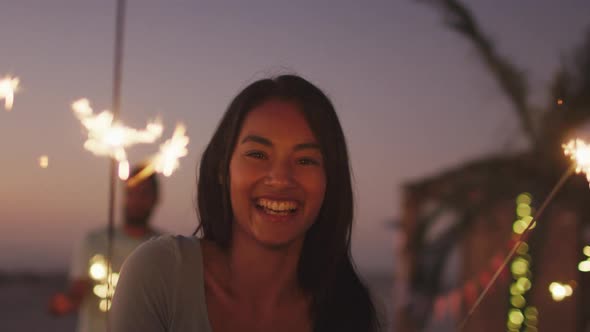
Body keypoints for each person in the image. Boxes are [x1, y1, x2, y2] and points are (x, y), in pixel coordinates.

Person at [111, 74, 381, 331]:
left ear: (330, 180)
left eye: (305, 160)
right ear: (222, 169)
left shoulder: (349, 312)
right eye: (257, 154)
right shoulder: (159, 275)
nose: (280, 178)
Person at [49, 165, 162, 332]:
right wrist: (65, 303)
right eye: (132, 192)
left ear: (155, 198)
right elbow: (78, 289)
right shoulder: (93, 242)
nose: (137, 199)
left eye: (144, 193)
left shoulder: (165, 248)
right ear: (124, 195)